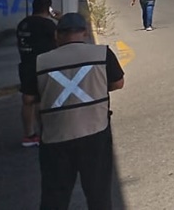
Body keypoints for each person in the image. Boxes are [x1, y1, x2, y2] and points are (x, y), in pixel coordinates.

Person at [31, 12, 124, 210]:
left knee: (54, 196)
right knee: (99, 193)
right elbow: (118, 83)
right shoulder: (102, 53)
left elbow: (29, 97)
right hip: (95, 132)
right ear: (85, 32)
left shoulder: (40, 61)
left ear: (57, 35)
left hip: (55, 137)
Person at [16, 0, 57, 147]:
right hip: (43, 65)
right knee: (44, 100)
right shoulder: (47, 24)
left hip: (25, 64)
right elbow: (59, 39)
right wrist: (59, 18)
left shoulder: (23, 23)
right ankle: (46, 132)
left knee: (28, 100)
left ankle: (29, 135)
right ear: (48, 9)